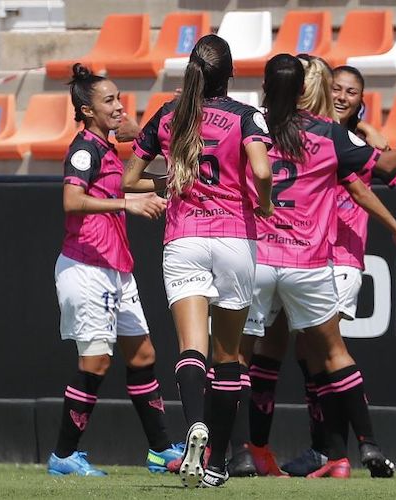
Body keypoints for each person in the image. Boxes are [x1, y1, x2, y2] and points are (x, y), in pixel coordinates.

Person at [239, 53, 396, 480]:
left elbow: (376, 179)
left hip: (282, 256)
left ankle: (276, 449)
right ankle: (341, 449)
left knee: (262, 354)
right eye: (334, 87)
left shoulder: (259, 127)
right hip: (310, 259)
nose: (340, 95)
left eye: (350, 91)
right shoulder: (331, 137)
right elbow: (367, 180)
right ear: (314, 90)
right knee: (317, 355)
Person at [121, 34, 274, 488]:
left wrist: (166, 184)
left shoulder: (169, 116)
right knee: (229, 356)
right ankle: (217, 462)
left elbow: (130, 179)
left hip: (184, 238)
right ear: (230, 75)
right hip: (233, 239)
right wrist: (263, 202)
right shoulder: (247, 117)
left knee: (192, 349)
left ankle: (193, 423)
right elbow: (262, 170)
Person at [48, 63, 183, 477]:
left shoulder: (106, 149)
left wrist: (169, 180)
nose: (119, 106)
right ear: (87, 111)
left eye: (119, 97)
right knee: (96, 362)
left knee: (143, 354)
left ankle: (160, 450)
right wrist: (129, 203)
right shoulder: (85, 149)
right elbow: (73, 200)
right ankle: (64, 456)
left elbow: (129, 182)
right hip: (86, 267)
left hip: (116, 269)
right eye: (109, 100)